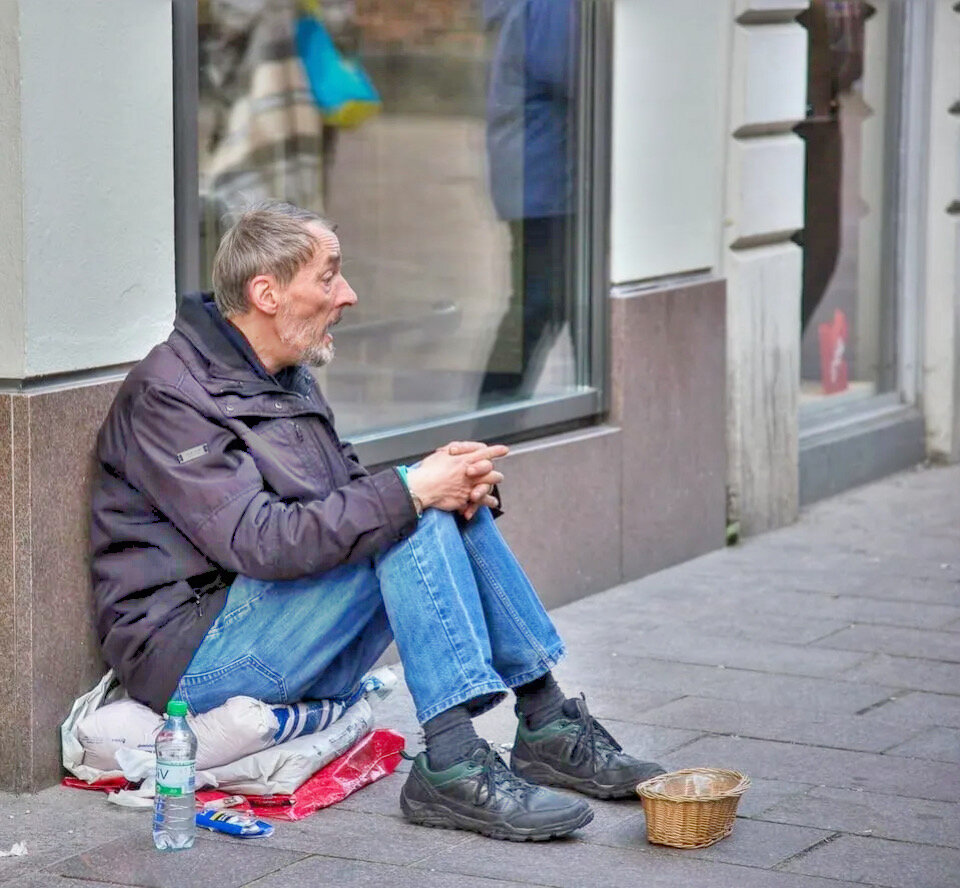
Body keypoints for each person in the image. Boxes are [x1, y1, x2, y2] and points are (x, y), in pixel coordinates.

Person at [91, 201, 664, 841]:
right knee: (411, 508)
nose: (349, 295)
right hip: (191, 655)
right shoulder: (170, 393)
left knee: (430, 500)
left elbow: (348, 497)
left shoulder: (284, 375)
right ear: (267, 293)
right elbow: (260, 540)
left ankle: (546, 719)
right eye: (329, 276)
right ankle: (451, 761)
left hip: (265, 620)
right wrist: (414, 491)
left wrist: (451, 486)